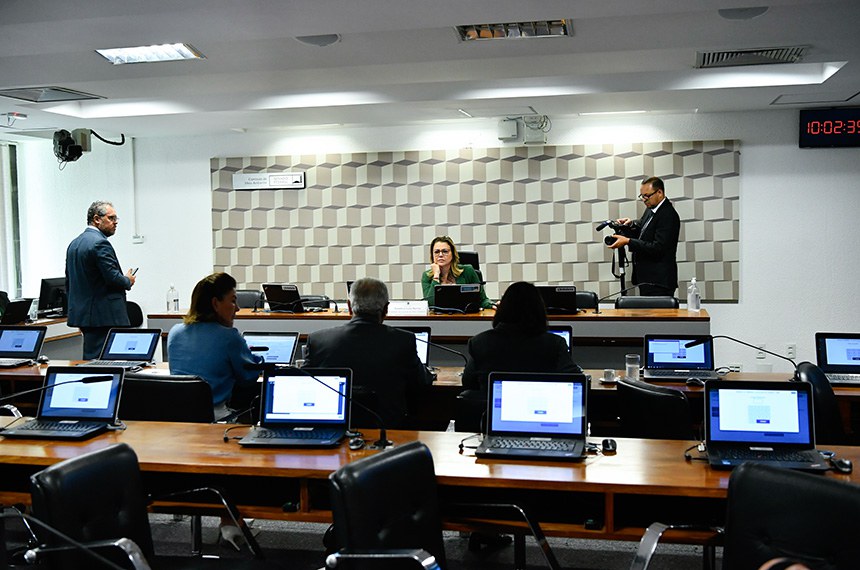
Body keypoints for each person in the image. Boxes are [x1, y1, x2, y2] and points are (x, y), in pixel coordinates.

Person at [304, 277, 433, 428]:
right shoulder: (403, 340)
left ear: (349, 307)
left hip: (332, 430)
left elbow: (303, 384)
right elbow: (422, 382)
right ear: (386, 309)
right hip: (387, 432)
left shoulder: (319, 340)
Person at [167, 272, 263, 421]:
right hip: (216, 418)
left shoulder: (175, 332)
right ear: (215, 304)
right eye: (233, 301)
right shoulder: (229, 337)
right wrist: (257, 359)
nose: (237, 308)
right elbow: (248, 377)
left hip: (178, 418)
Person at [461, 281, 583, 396]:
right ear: (539, 310)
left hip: (492, 414)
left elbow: (468, 383)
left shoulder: (479, 342)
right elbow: (577, 382)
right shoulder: (554, 343)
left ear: (502, 309)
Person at [65, 200, 137, 359]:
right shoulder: (100, 243)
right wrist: (128, 280)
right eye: (111, 218)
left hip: (85, 317)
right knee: (107, 364)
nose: (115, 223)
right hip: (104, 316)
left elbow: (69, 282)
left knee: (92, 361)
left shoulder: (74, 244)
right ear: (97, 219)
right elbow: (113, 278)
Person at [607, 176, 681, 297]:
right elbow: (643, 229)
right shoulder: (651, 209)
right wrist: (630, 224)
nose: (644, 200)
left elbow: (658, 248)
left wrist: (628, 241)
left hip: (658, 283)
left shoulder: (668, 215)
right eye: (642, 196)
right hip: (646, 280)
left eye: (647, 196)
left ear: (660, 192)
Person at [421, 235, 493, 309]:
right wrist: (436, 276)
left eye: (445, 251)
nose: (440, 255)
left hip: (465, 318)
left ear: (453, 254)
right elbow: (430, 304)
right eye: (436, 252)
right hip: (439, 319)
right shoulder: (427, 276)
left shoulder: (468, 271)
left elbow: (482, 300)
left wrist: (492, 305)